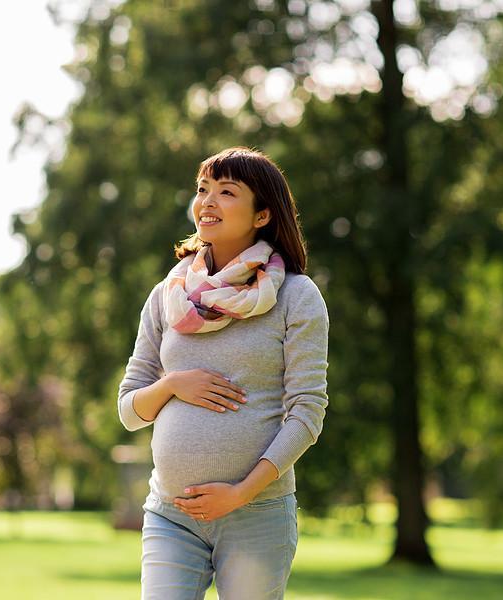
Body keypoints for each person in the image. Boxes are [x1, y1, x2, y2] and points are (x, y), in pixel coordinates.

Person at [117, 146, 330, 600]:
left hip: (257, 514)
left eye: (227, 191)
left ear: (262, 215)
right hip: (170, 514)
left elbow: (307, 412)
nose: (207, 201)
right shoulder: (168, 295)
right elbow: (129, 410)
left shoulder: (296, 296)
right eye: (203, 189)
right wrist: (173, 384)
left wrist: (241, 493)